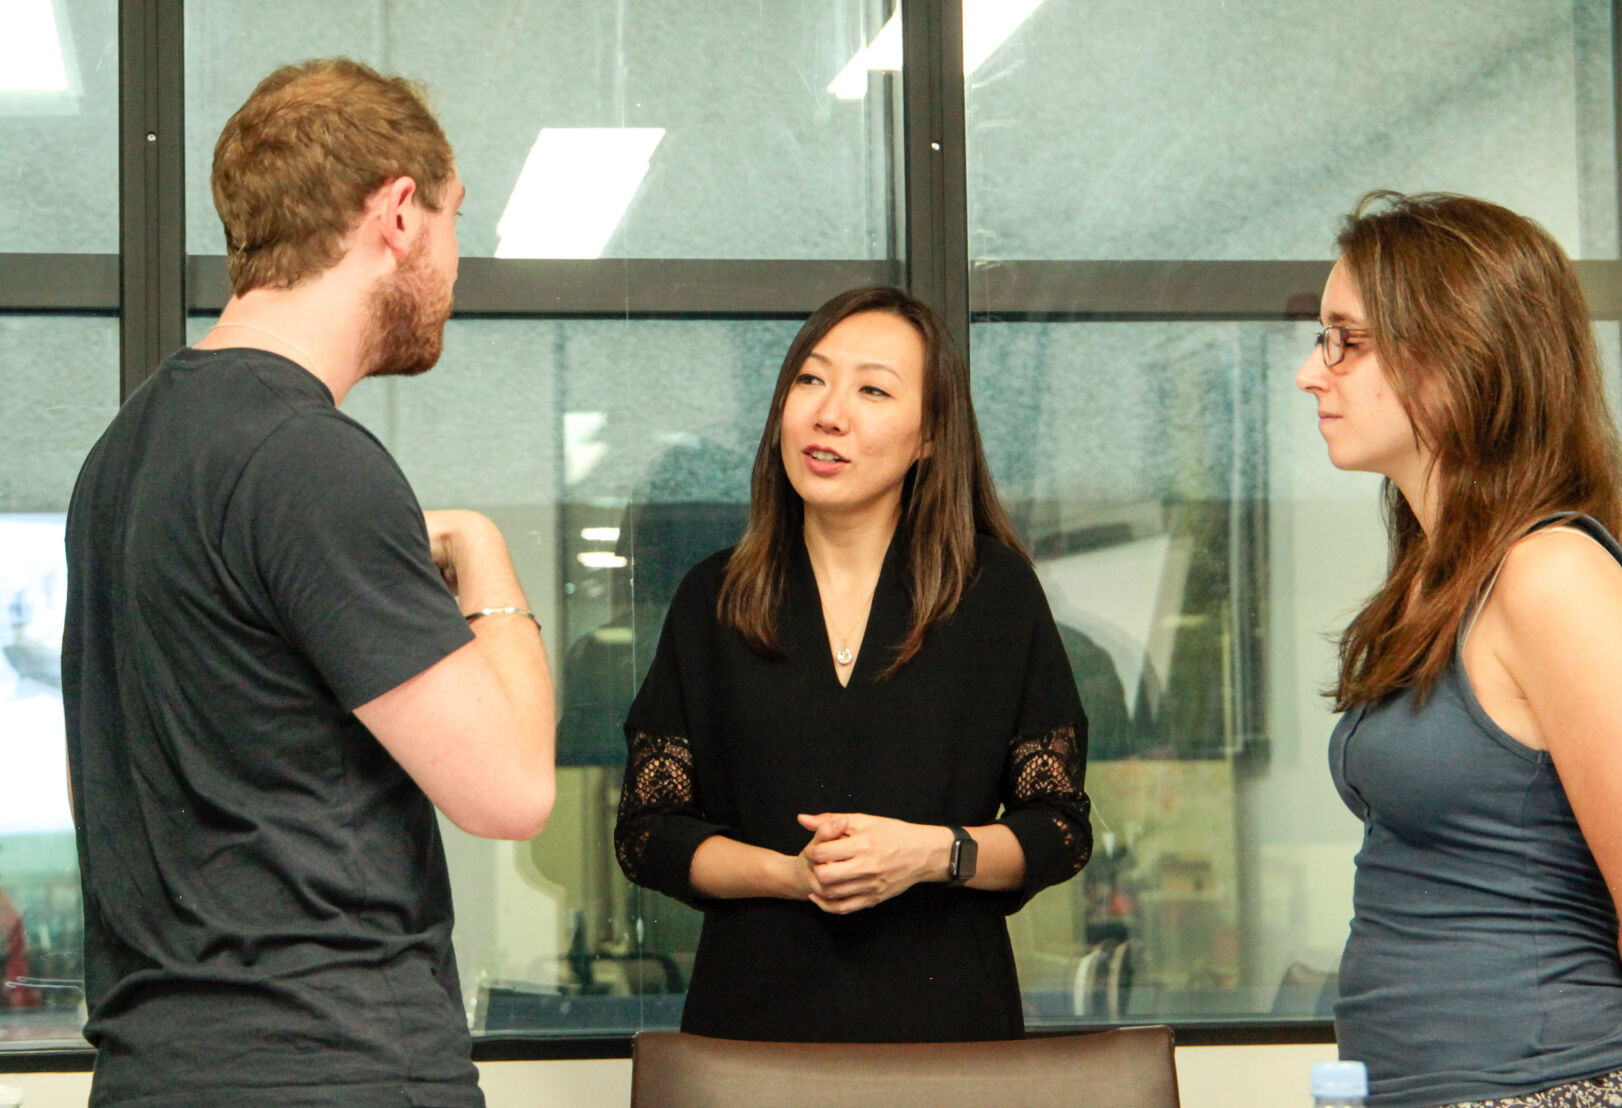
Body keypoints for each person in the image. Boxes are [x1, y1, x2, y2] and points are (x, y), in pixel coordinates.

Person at [62, 59, 555, 1108]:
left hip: (156, 1071)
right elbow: (511, 790)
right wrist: (487, 562)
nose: (459, 266)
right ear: (397, 213)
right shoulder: (310, 456)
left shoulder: (122, 458)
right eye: (457, 218)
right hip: (334, 1066)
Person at [613, 285, 1093, 1042]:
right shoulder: (715, 596)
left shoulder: (994, 592)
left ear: (930, 436)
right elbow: (646, 831)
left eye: (872, 389)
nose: (828, 412)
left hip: (948, 1032)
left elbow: (1060, 829)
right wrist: (792, 876)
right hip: (752, 1034)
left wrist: (933, 853)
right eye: (810, 379)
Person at [1297, 191, 1622, 1107]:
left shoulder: (1551, 574)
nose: (1311, 374)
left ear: (1458, 353)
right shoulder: (1443, 578)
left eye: (1344, 340)